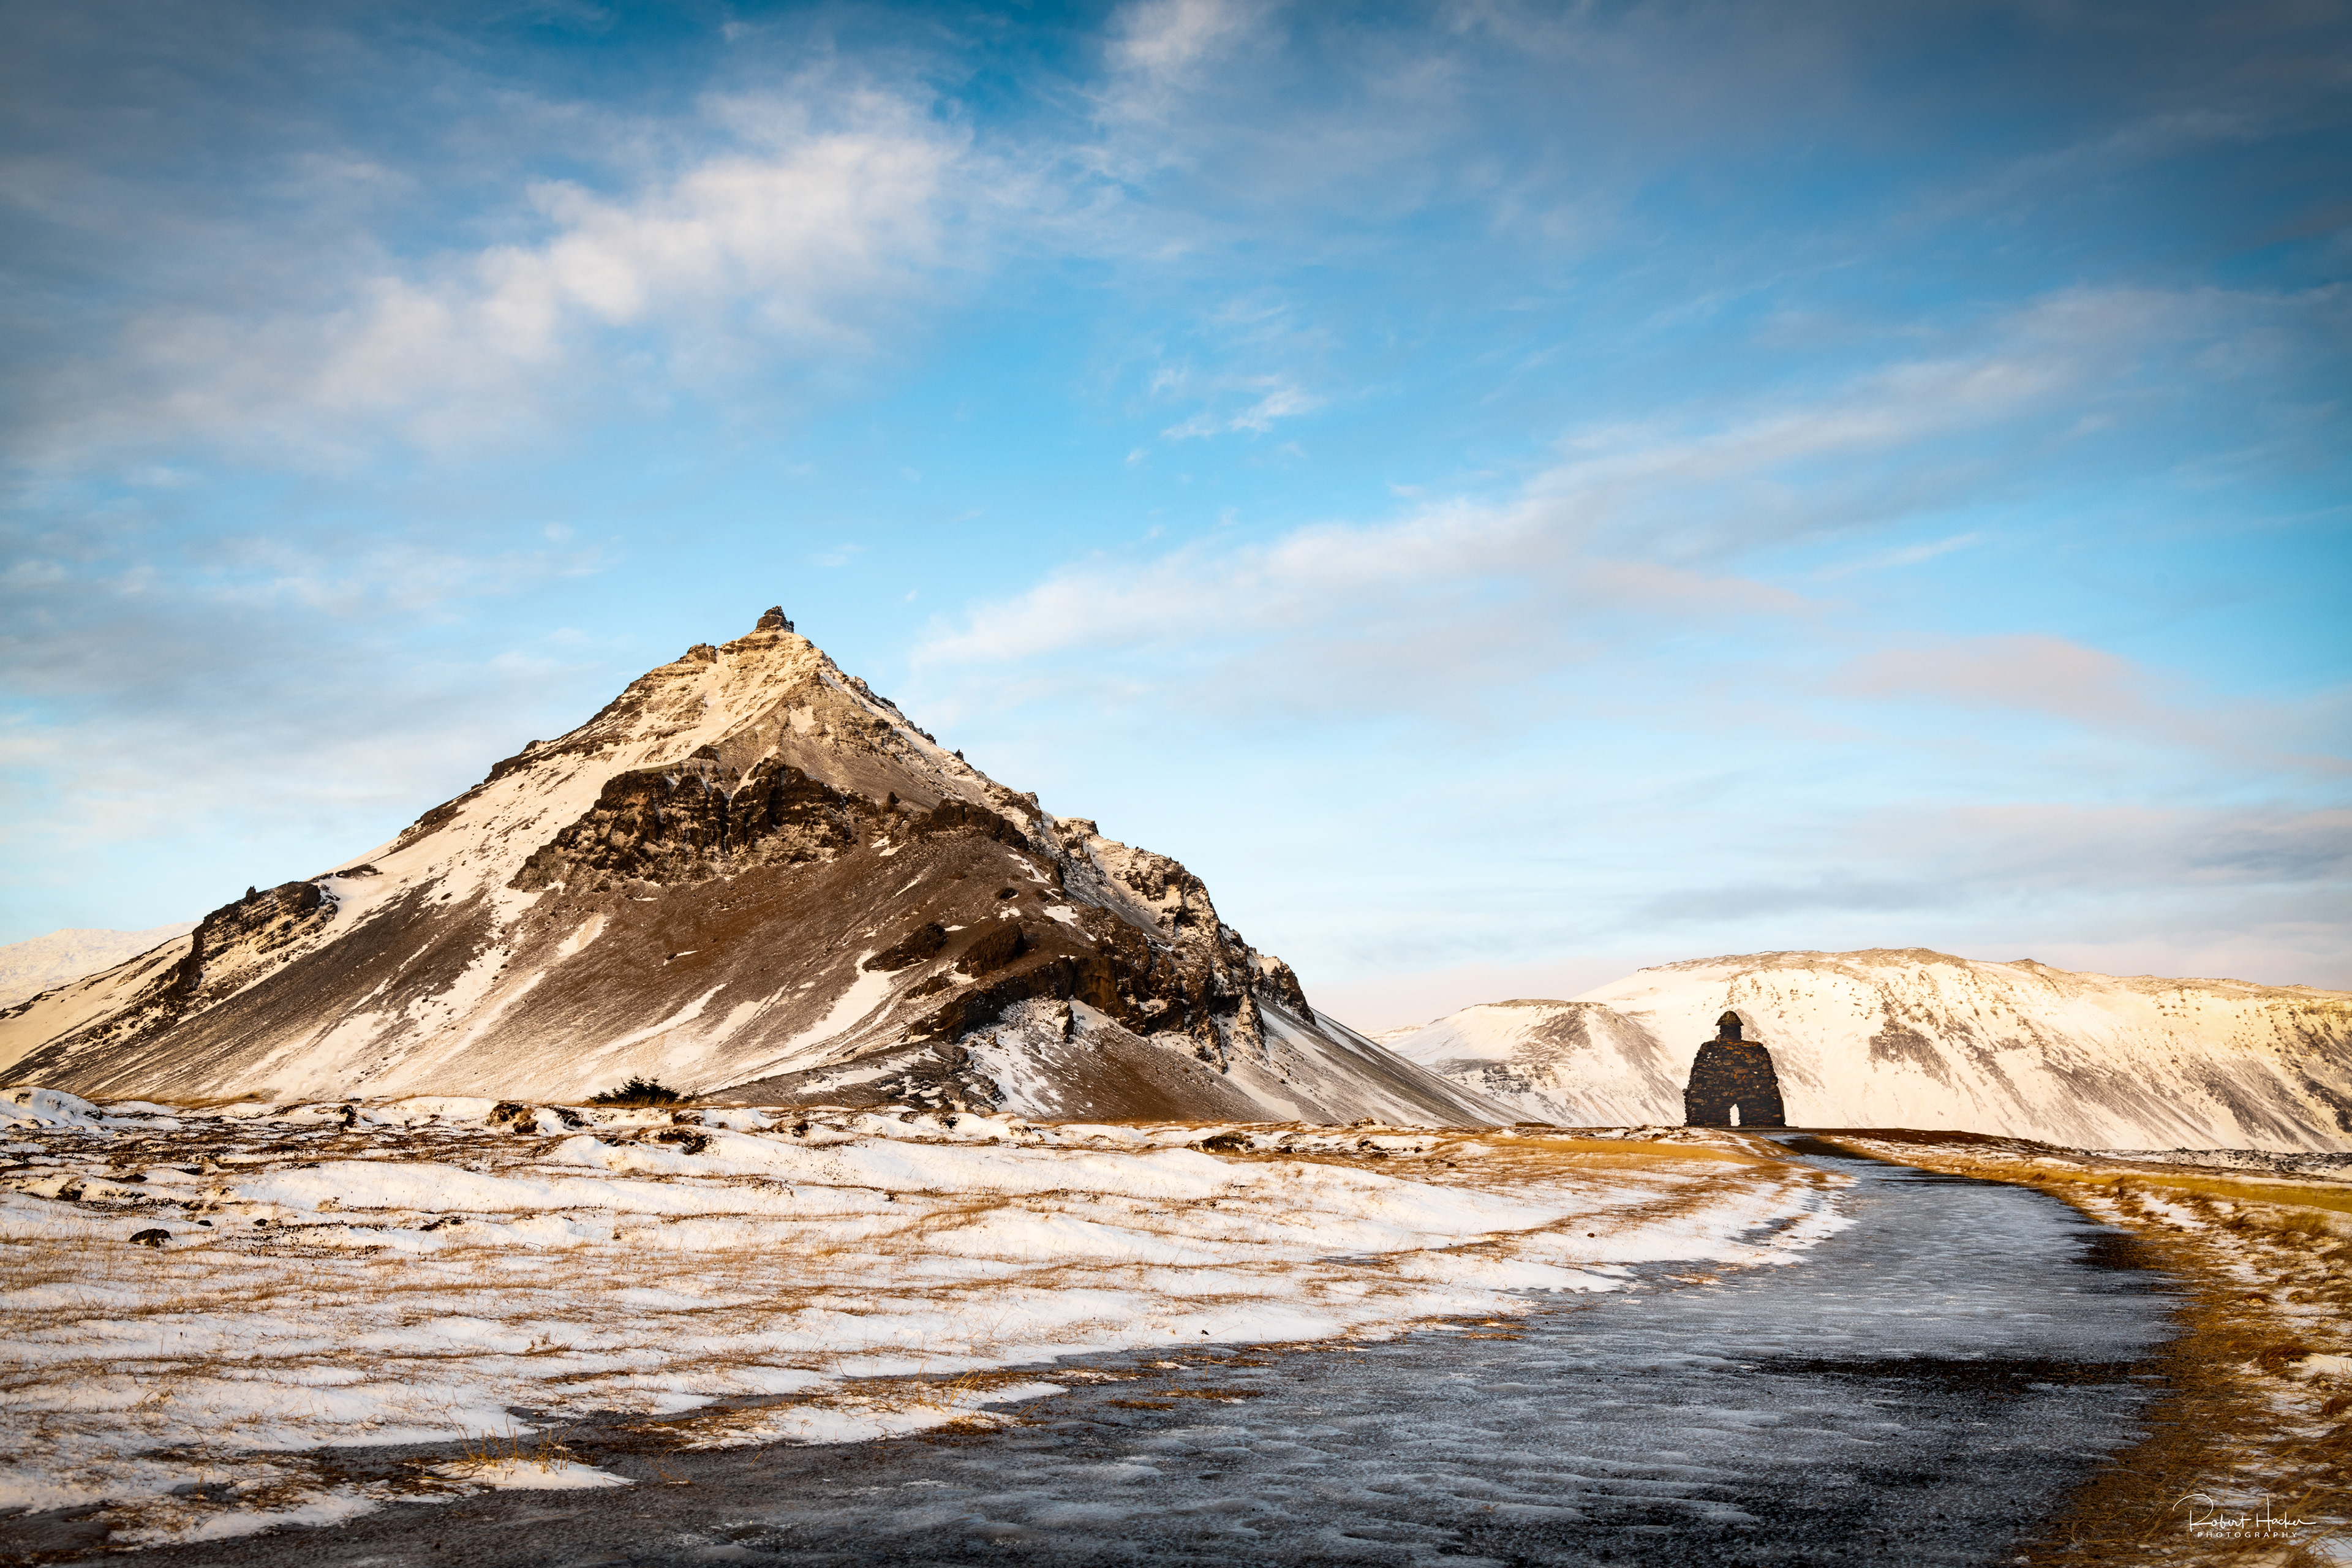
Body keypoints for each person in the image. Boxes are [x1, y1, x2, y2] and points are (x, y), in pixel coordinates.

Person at [1684, 1011, 1785, 1127]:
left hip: (1716, 1091)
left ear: (1721, 1029)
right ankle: (1759, 1121)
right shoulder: (1756, 1049)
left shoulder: (1711, 1048)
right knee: (1755, 1110)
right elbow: (1770, 1080)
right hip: (1754, 1091)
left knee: (1713, 1109)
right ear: (1739, 1029)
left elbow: (1699, 1081)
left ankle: (1712, 1121)